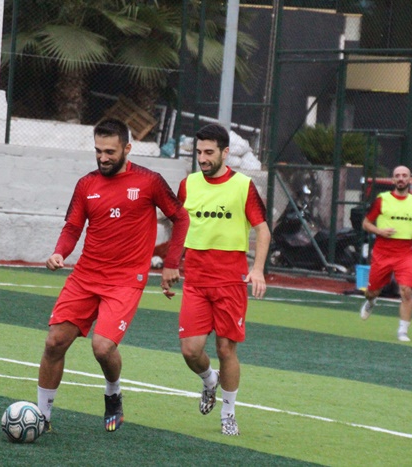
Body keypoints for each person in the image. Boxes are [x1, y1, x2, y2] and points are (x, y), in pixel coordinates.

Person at [37, 118, 189, 432]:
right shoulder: (86, 185)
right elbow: (73, 227)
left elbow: (181, 217)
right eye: (98, 151)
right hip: (85, 276)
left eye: (110, 151)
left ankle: (113, 392)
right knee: (54, 343)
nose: (103, 157)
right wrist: (59, 252)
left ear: (127, 148)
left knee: (103, 347)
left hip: (125, 280)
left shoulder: (149, 181)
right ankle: (42, 417)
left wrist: (172, 263)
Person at [176, 123, 271, 436]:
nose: (202, 158)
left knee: (226, 349)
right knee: (190, 350)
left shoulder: (243, 186)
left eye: (209, 152)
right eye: (199, 152)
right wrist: (171, 264)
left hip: (230, 280)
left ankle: (228, 414)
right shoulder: (188, 185)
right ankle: (209, 380)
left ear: (225, 153)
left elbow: (263, 230)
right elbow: (179, 226)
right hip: (195, 279)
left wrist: (257, 269)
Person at [360, 165, 412, 342]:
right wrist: (380, 231)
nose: (401, 178)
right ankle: (371, 302)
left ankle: (403, 331)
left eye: (404, 175)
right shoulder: (382, 200)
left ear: (410, 179)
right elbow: (366, 223)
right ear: (393, 180)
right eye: (397, 175)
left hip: (405, 253)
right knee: (372, 291)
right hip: (382, 251)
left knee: (406, 291)